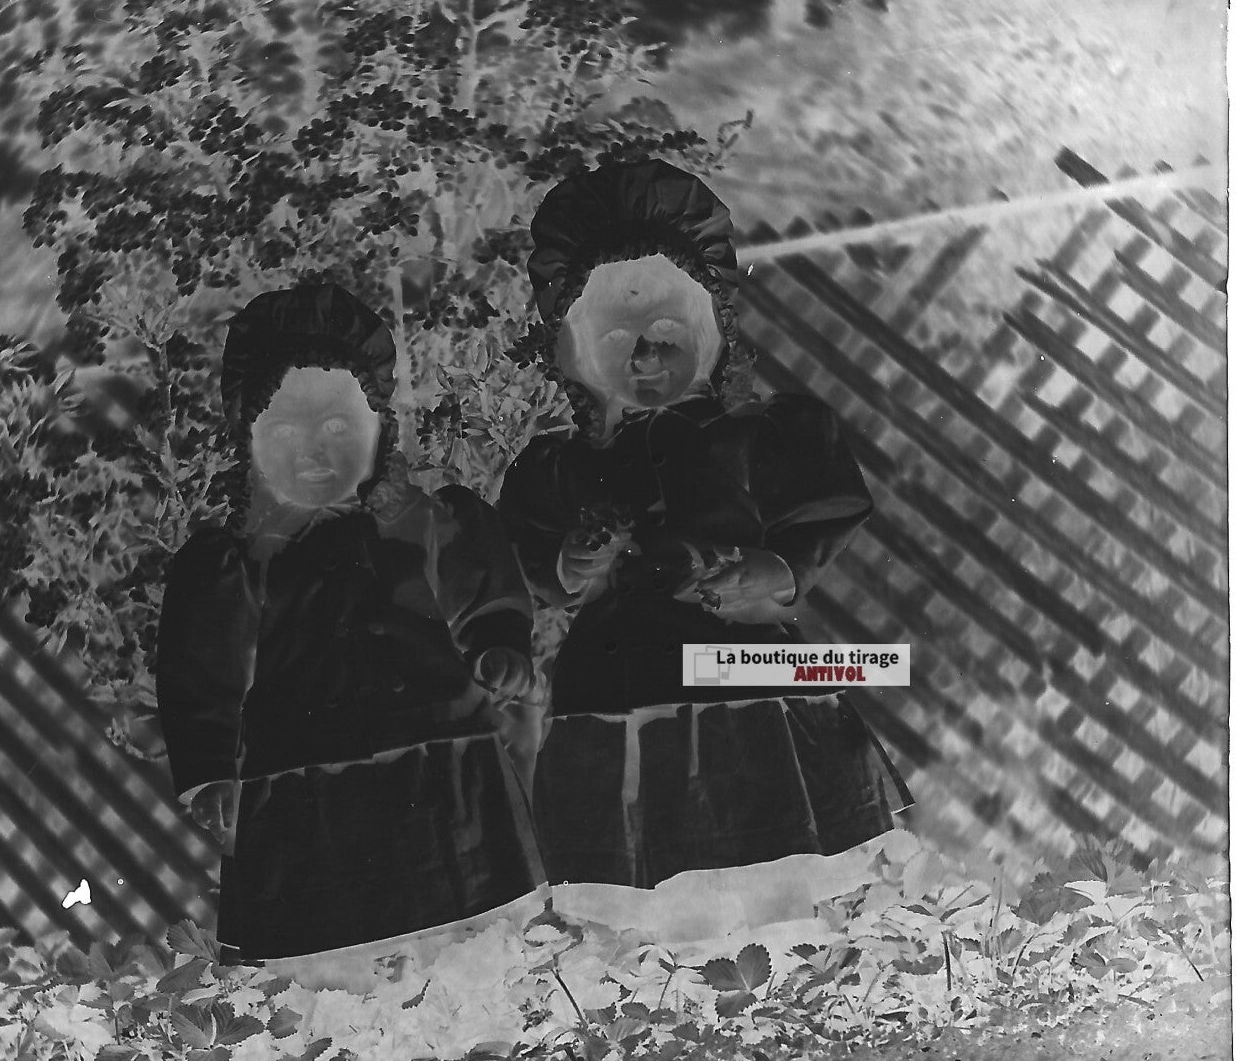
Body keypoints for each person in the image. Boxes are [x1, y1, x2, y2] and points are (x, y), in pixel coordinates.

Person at [499, 158, 913, 940]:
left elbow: (824, 504)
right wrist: (568, 565)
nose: (645, 357)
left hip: (739, 653)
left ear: (714, 327)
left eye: (665, 333)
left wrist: (777, 567)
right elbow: (526, 548)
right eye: (617, 338)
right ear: (577, 350)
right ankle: (663, 950)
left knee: (764, 814)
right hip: (617, 674)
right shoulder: (565, 463)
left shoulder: (760, 434)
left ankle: (780, 934)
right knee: (640, 834)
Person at [156, 283, 544, 986]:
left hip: (437, 763)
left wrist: (499, 646)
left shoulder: (426, 524)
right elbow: (199, 671)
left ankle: (472, 1008)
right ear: (247, 439)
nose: (314, 450)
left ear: (379, 431)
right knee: (328, 938)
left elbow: (485, 592)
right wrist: (210, 768)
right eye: (285, 431)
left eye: (338, 427)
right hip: (303, 778)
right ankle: (339, 1029)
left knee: (460, 915)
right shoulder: (236, 562)